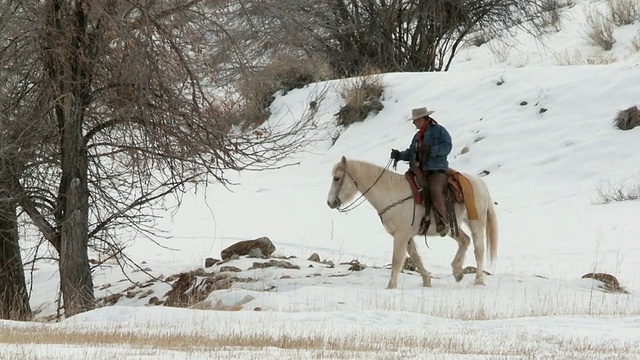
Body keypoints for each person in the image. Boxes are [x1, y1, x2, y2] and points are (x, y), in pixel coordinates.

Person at [390, 107, 453, 236]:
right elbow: (411, 152)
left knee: (434, 190)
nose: (413, 123)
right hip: (420, 170)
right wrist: (400, 155)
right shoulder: (417, 136)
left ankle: (443, 221)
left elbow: (447, 146)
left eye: (415, 120)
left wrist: (433, 150)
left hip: (437, 170)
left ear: (422, 119)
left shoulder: (440, 130)